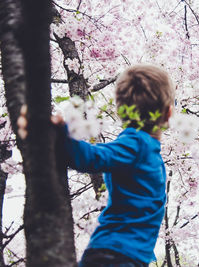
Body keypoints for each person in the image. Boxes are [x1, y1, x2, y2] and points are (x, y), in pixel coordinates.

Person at [17, 64, 175, 267]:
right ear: (168, 113)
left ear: (120, 112)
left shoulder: (143, 148)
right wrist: (61, 139)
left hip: (123, 254)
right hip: (117, 255)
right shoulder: (138, 143)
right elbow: (94, 156)